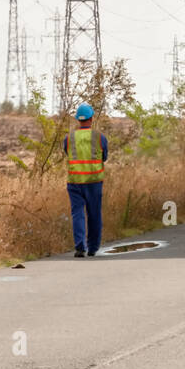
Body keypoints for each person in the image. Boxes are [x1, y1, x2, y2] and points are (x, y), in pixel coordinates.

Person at [62, 103, 108, 258]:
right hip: (94, 181)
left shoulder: (69, 137)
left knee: (78, 214)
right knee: (94, 214)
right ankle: (93, 248)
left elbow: (67, 153)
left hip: (74, 181)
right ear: (91, 118)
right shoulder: (99, 137)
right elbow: (105, 157)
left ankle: (80, 247)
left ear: (78, 119)